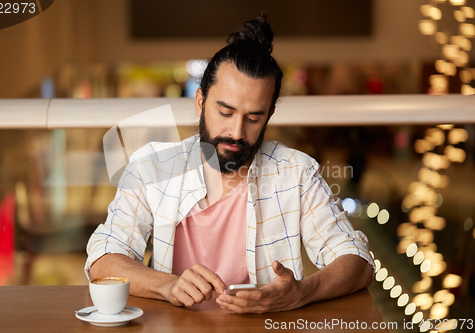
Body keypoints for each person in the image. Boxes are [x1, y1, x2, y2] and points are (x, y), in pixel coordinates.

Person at [85, 14, 374, 314]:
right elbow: (102, 258)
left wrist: (301, 292)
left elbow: (358, 260)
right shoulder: (151, 168)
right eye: (225, 112)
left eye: (253, 118)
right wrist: (167, 285)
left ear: (269, 115)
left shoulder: (297, 172)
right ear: (200, 102)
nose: (237, 133)